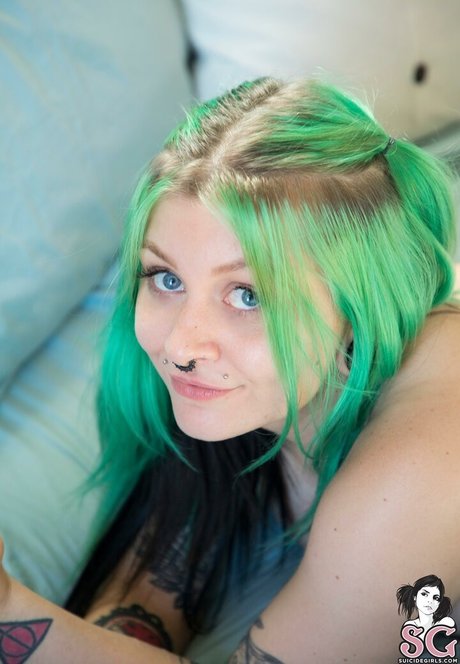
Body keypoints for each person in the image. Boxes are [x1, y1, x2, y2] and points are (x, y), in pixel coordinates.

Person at [0, 77, 459, 663]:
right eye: (167, 278)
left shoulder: (415, 478)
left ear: (358, 307)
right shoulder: (263, 393)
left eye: (247, 295)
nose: (182, 345)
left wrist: (8, 607)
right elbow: (149, 599)